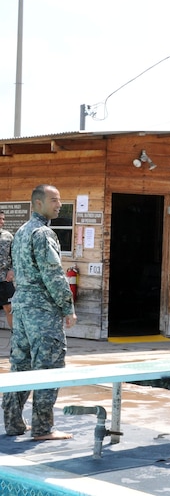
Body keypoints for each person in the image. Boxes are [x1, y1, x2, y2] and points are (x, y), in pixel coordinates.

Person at [3, 185, 77, 440]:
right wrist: (68, 307)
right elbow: (54, 274)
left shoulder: (21, 231)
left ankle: (13, 423)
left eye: (60, 200)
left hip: (22, 307)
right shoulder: (43, 233)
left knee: (20, 366)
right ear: (37, 203)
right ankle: (43, 429)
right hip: (42, 311)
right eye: (54, 200)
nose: (59, 205)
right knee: (49, 366)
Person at [0, 209, 14, 330]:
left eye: (3, 219)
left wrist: (12, 270)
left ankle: (16, 336)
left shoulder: (8, 236)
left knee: (9, 308)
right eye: (0, 219)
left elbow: (15, 256)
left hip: (4, 279)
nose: (2, 222)